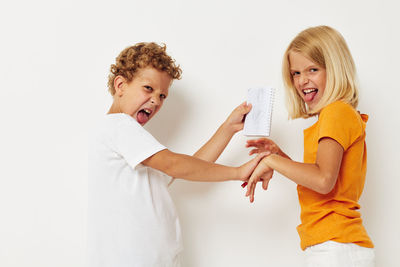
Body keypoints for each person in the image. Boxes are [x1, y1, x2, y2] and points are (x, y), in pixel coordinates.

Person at [87, 42, 265, 267]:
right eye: (148, 88)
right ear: (120, 85)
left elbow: (188, 167)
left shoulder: (135, 148)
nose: (155, 100)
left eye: (162, 96)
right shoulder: (120, 126)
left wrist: (228, 128)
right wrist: (238, 172)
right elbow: (174, 164)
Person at [245, 26, 375, 266]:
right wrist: (279, 155)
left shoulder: (336, 112)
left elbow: (323, 181)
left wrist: (272, 161)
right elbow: (321, 179)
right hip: (335, 245)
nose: (302, 80)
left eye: (312, 70)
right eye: (295, 73)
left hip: (336, 246)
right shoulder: (336, 114)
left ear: (334, 69)